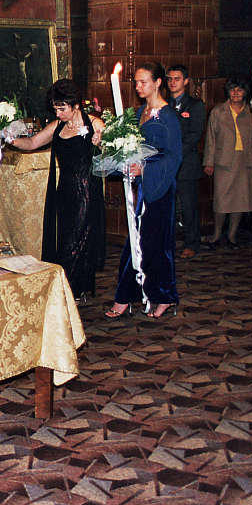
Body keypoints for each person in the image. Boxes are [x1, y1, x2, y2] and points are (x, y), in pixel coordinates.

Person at [8, 79, 106, 301]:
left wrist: (101, 142)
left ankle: (67, 291)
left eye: (62, 109)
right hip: (65, 191)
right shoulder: (58, 126)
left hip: (87, 192)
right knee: (64, 240)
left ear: (76, 105)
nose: (58, 113)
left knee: (77, 240)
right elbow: (32, 143)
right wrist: (13, 141)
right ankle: (74, 288)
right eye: (55, 109)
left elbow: (111, 154)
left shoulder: (95, 124)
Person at [103, 62, 183, 320]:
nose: (138, 86)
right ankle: (141, 296)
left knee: (150, 243)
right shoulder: (141, 111)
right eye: (136, 82)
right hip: (143, 187)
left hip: (159, 187)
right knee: (141, 242)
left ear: (158, 82)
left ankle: (146, 297)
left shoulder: (167, 115)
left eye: (143, 82)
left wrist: (145, 169)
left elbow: (174, 156)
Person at [202, 77, 252, 250]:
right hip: (223, 161)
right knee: (221, 200)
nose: (236, 93)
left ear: (245, 93)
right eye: (232, 89)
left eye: (240, 90)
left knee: (241, 200)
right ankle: (216, 234)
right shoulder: (218, 111)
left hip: (245, 161)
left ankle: (232, 235)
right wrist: (209, 162)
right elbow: (210, 139)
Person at [167, 64, 206, 259]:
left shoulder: (195, 105)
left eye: (177, 79)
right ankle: (168, 242)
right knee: (167, 207)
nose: (173, 82)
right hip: (165, 165)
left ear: (186, 81)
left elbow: (194, 135)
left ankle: (192, 243)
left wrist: (174, 153)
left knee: (189, 207)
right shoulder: (163, 104)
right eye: (170, 79)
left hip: (186, 164)